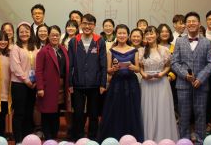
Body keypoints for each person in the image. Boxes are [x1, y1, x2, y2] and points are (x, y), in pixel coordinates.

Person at [171, 12, 211, 145]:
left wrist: (200, 78)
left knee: (201, 114)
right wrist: (185, 75)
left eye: (194, 21)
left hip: (201, 85)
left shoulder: (207, 42)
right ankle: (184, 141)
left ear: (199, 23)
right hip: (183, 85)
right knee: (184, 115)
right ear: (185, 25)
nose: (191, 23)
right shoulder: (179, 41)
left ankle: (200, 141)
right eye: (189, 21)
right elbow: (174, 62)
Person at [99, 24, 143, 141]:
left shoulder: (134, 50)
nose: (122, 35)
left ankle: (132, 138)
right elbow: (108, 70)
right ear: (116, 35)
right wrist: (113, 69)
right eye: (119, 33)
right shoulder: (111, 51)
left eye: (124, 33)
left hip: (131, 84)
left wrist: (132, 67)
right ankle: (114, 136)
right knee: (115, 110)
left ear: (128, 35)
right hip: (116, 84)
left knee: (131, 110)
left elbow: (138, 69)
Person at [68, 13, 107, 141]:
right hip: (78, 84)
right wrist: (70, 83)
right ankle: (78, 138)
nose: (87, 26)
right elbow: (70, 64)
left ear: (94, 26)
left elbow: (103, 64)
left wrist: (102, 84)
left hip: (95, 84)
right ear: (80, 24)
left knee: (94, 114)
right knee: (78, 113)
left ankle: (93, 138)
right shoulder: (74, 41)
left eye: (90, 24)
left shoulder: (99, 41)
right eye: (85, 23)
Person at [139, 26, 178, 142]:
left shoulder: (164, 50)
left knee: (162, 110)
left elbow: (168, 66)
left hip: (161, 82)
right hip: (146, 83)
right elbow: (140, 68)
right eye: (147, 34)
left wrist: (162, 74)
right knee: (147, 110)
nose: (149, 36)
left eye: (151, 33)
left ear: (156, 35)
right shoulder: (141, 50)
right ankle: (148, 139)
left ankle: (163, 139)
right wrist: (144, 75)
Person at [36, 25, 70, 140]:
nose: (55, 37)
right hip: (48, 87)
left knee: (56, 111)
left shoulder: (63, 49)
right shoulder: (43, 51)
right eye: (52, 35)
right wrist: (40, 87)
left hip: (61, 87)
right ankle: (48, 137)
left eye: (57, 35)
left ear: (60, 36)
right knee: (47, 112)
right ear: (48, 36)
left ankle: (54, 136)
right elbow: (39, 71)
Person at [10, 22, 39, 144]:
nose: (24, 33)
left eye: (27, 31)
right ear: (18, 34)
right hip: (19, 84)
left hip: (32, 84)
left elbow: (38, 65)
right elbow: (15, 67)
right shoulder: (15, 48)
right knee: (19, 112)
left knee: (29, 112)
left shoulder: (34, 47)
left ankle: (27, 139)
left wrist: (36, 80)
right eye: (21, 31)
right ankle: (18, 139)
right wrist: (27, 80)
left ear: (31, 33)